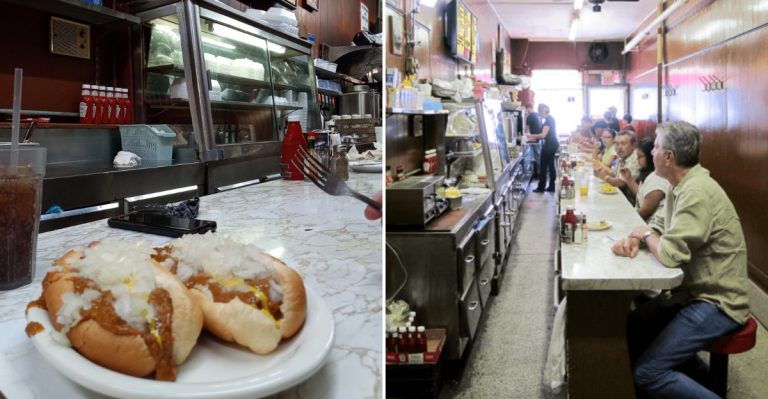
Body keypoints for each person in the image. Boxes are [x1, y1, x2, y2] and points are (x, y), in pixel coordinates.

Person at [611, 121, 750, 399]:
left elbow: (671, 255)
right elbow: (661, 224)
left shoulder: (696, 191)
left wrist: (646, 233)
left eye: (657, 147)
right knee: (634, 326)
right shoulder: (681, 185)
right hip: (693, 292)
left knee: (648, 372)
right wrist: (640, 237)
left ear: (669, 156)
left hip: (717, 301)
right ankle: (697, 380)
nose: (651, 152)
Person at [620, 138, 670, 223]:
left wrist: (625, 219)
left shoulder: (658, 178)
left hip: (648, 225)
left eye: (640, 156)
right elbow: (642, 195)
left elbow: (645, 211)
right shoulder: (648, 173)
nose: (637, 160)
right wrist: (629, 179)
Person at [594, 130, 641, 203]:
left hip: (631, 201)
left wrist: (605, 177)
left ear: (633, 145)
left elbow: (622, 183)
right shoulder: (622, 157)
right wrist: (600, 171)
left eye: (623, 143)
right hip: (621, 196)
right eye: (617, 144)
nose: (619, 147)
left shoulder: (636, 159)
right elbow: (613, 174)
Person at [527, 104, 559, 192]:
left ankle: (541, 188)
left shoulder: (548, 121)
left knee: (543, 166)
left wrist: (531, 136)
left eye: (540, 111)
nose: (539, 113)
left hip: (549, 145)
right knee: (551, 166)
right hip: (553, 144)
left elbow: (543, 135)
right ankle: (552, 186)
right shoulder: (551, 119)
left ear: (544, 110)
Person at [524, 102, 543, 179]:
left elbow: (526, 130)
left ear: (528, 108)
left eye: (526, 110)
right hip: (540, 138)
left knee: (537, 157)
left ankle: (539, 174)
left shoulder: (530, 117)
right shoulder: (537, 115)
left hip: (535, 139)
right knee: (539, 157)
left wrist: (525, 134)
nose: (526, 111)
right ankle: (539, 173)